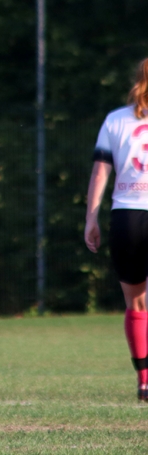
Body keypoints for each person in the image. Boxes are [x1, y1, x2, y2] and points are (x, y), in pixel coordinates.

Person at [84, 58, 148, 402]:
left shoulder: (115, 120)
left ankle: (144, 380)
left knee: (136, 303)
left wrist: (91, 218)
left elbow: (100, 173)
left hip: (127, 217)